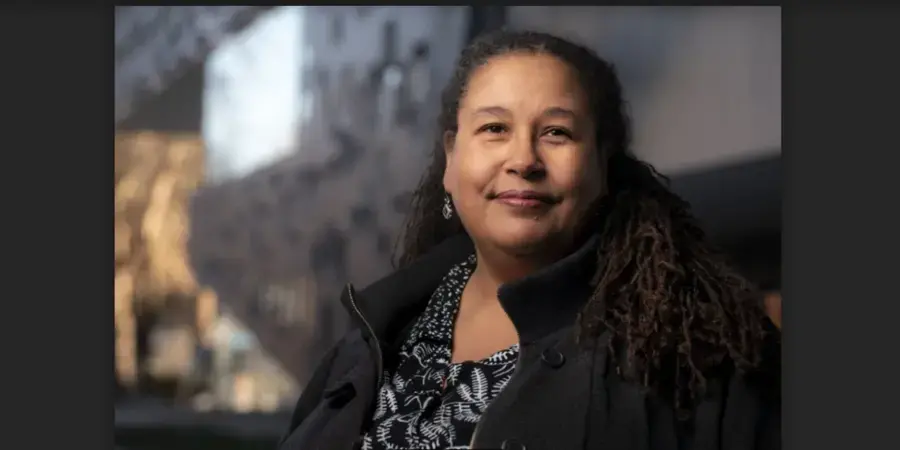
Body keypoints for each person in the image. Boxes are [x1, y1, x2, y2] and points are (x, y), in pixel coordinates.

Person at [278, 30, 781, 450]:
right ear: (451, 160)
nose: (524, 160)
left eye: (557, 133)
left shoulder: (698, 352)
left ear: (603, 166)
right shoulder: (372, 339)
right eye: (494, 128)